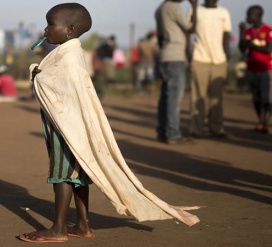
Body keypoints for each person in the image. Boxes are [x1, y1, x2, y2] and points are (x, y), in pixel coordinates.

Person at [19, 2, 199, 243]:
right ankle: (82, 225)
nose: (46, 29)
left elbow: (55, 87)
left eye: (51, 24)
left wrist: (37, 77)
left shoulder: (69, 57)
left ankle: (59, 228)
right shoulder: (68, 52)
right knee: (80, 175)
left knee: (62, 177)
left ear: (70, 29)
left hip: (68, 131)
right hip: (75, 130)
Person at [155, 0, 198, 144]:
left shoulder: (160, 9)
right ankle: (173, 134)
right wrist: (195, 6)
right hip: (175, 57)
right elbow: (191, 28)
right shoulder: (174, 7)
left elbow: (160, 37)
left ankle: (162, 132)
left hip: (165, 55)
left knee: (165, 96)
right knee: (174, 97)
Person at [188, 0, 231, 138]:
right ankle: (196, 128)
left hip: (219, 60)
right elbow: (189, 30)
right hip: (199, 58)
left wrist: (226, 56)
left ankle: (217, 128)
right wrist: (188, 53)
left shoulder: (223, 12)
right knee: (198, 96)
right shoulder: (196, 10)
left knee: (216, 97)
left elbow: (226, 36)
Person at [239, 5, 272, 134]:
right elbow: (242, 48)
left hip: (266, 69)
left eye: (250, 15)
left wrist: (252, 44)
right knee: (256, 97)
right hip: (252, 69)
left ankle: (266, 123)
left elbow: (268, 49)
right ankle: (260, 121)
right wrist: (241, 32)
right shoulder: (247, 32)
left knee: (267, 98)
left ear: (258, 16)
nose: (247, 18)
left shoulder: (268, 30)